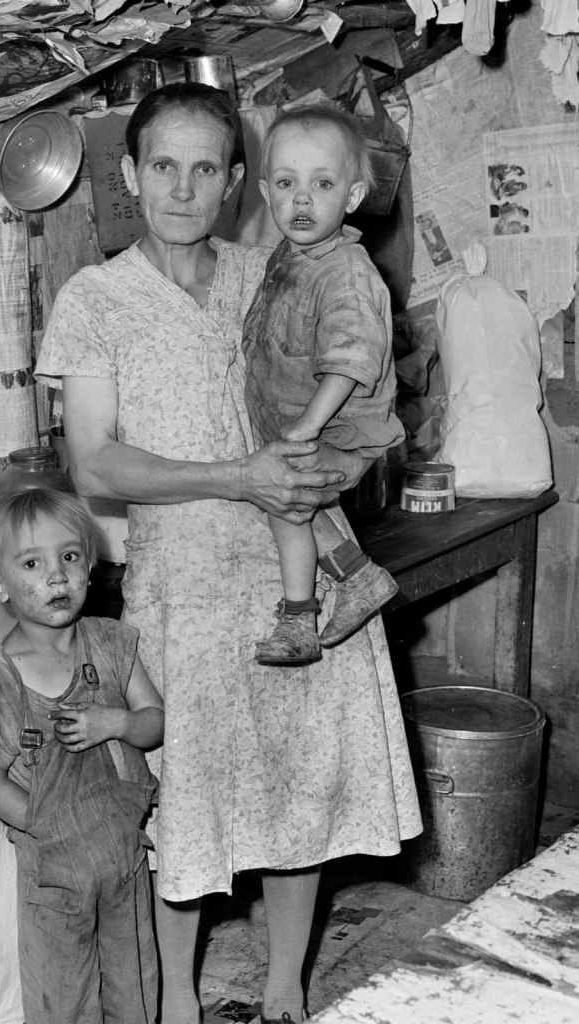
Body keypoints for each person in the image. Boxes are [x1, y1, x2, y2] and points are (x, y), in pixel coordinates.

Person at [34, 83, 421, 1024]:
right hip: (186, 585)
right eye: (163, 166)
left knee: (298, 783)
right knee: (186, 800)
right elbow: (94, 462)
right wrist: (238, 475)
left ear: (237, 181)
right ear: (131, 176)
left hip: (299, 579)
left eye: (206, 168)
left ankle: (285, 988)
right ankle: (177, 1001)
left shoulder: (278, 269)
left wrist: (347, 460)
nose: (183, 188)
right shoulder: (96, 299)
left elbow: (361, 377)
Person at [0, 488, 164, 1024]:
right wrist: (47, 825)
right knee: (62, 995)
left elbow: (154, 721)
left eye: (70, 556)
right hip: (53, 872)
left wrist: (116, 723)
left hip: (122, 855)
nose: (57, 576)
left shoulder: (111, 643)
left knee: (134, 982)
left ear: (89, 566)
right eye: (32, 563)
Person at [243, 105, 403, 666]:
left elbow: (350, 362)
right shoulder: (290, 257)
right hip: (302, 423)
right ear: (266, 192)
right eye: (287, 184)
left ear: (353, 196)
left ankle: (297, 621)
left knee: (284, 504)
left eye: (323, 184)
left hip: (339, 428)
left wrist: (307, 427)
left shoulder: (346, 273)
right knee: (296, 504)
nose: (302, 200)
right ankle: (359, 578)